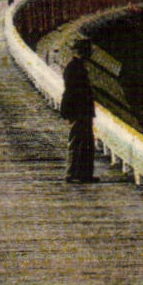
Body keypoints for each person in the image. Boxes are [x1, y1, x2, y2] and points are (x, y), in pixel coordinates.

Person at [60, 38, 96, 183]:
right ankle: (72, 174)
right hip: (78, 110)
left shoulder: (76, 66)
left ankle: (84, 174)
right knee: (78, 142)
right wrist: (68, 112)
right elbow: (70, 92)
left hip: (82, 110)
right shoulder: (75, 68)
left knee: (86, 142)